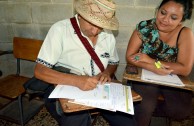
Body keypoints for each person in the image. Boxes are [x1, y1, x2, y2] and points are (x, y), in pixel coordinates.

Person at [34, 0, 135, 125]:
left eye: (101, 25)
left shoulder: (108, 35)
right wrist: (77, 81)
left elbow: (113, 62)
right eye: (92, 24)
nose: (95, 31)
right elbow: (40, 71)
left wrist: (106, 72)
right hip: (66, 85)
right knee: (75, 120)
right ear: (80, 15)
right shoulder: (60, 29)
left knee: (128, 120)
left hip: (100, 88)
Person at [126, 0, 194, 126]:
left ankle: (149, 112)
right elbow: (130, 56)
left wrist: (152, 61)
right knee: (144, 108)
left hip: (172, 76)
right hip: (145, 73)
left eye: (173, 17)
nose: (165, 20)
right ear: (157, 10)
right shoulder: (145, 27)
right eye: (163, 13)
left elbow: (184, 69)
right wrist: (152, 67)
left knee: (181, 111)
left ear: (181, 20)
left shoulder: (185, 33)